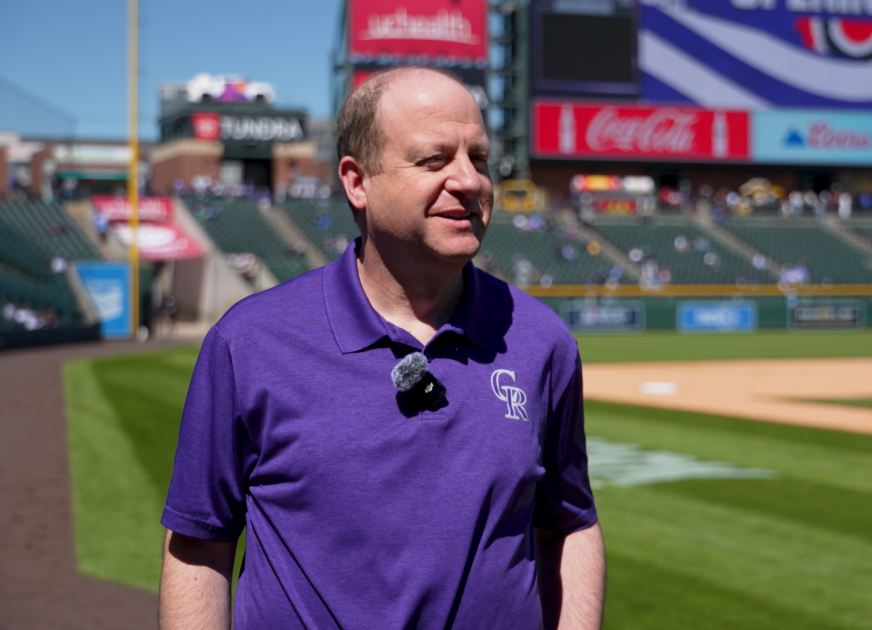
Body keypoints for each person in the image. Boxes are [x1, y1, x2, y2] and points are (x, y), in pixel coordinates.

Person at [158, 66, 605, 629]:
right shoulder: (249, 342)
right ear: (356, 181)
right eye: (434, 160)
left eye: (480, 159)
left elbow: (569, 522)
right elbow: (199, 544)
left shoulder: (542, 341)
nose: (470, 181)